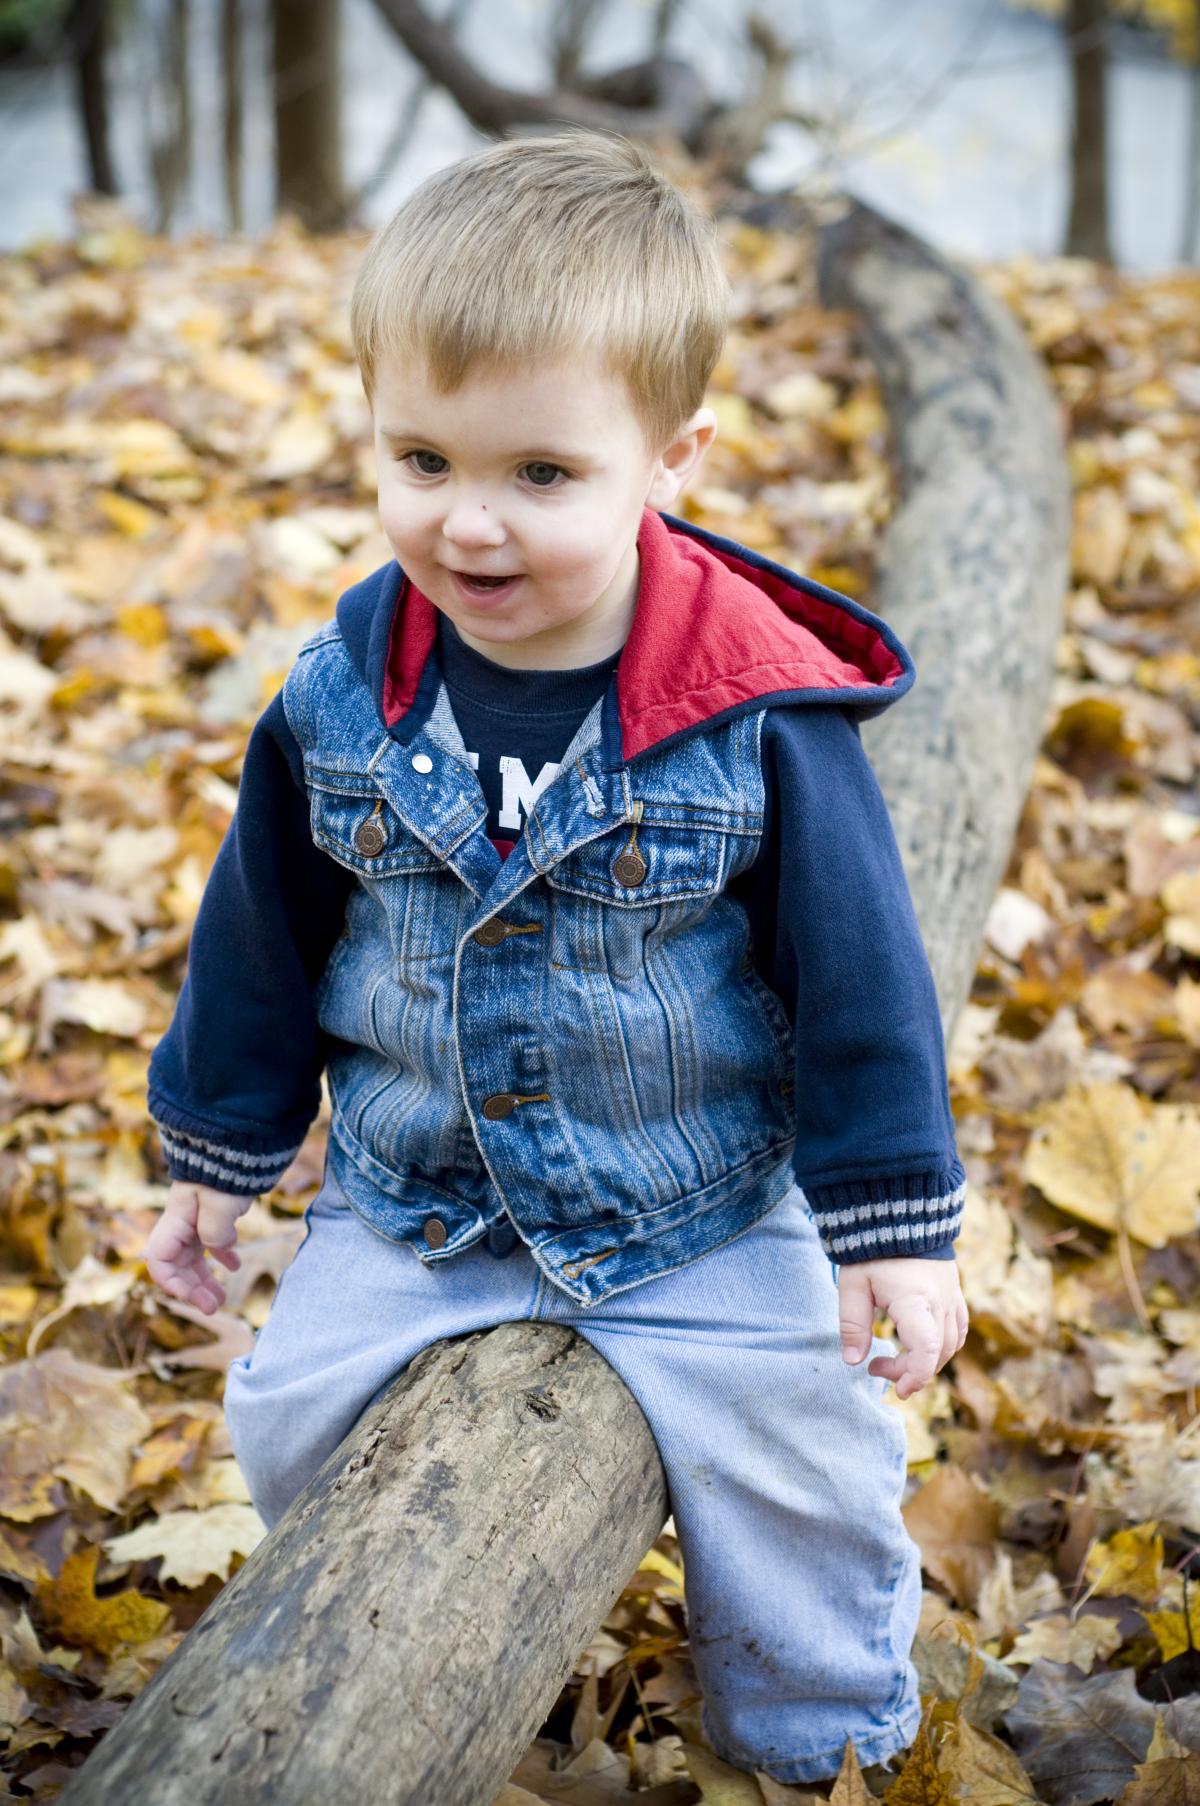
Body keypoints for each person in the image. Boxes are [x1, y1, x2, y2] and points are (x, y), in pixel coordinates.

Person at [142, 130, 969, 1787]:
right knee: (290, 1412)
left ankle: (815, 1739)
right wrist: (213, 1160)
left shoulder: (753, 716)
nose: (470, 525)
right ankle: (408, 1672)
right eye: (424, 457)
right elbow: (261, 935)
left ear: (672, 457)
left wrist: (893, 1226)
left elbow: (860, 977)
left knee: (806, 1459)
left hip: (693, 1193)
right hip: (419, 1190)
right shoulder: (340, 700)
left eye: (542, 474)